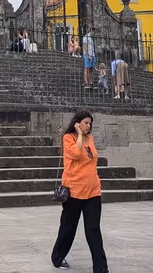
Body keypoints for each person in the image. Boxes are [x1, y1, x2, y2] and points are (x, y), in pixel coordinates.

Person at [51, 110, 108, 273]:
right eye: (85, 123)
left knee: (94, 230)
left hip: (93, 191)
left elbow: (92, 158)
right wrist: (79, 134)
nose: (88, 126)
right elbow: (76, 154)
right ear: (77, 123)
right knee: (68, 229)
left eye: (90, 123)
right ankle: (57, 257)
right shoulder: (68, 138)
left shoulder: (90, 138)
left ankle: (101, 268)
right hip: (73, 191)